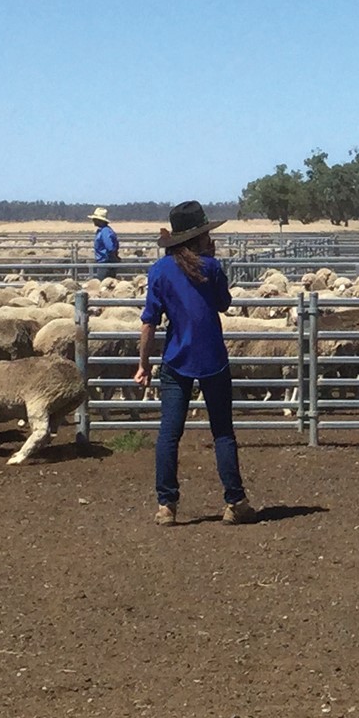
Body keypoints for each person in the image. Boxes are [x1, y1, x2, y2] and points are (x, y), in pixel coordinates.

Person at [133, 200, 256, 526]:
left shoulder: (159, 271)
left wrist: (143, 363)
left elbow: (149, 322)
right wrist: (213, 261)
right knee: (223, 433)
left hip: (176, 358)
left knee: (169, 434)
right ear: (200, 237)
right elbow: (224, 304)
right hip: (212, 358)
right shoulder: (211, 267)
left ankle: (167, 505)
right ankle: (235, 501)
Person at [91, 208, 120, 279]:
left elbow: (110, 247)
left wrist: (110, 259)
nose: (93, 220)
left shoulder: (105, 231)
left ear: (100, 220)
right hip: (104, 262)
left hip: (105, 263)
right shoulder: (104, 231)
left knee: (104, 285)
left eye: (95, 219)